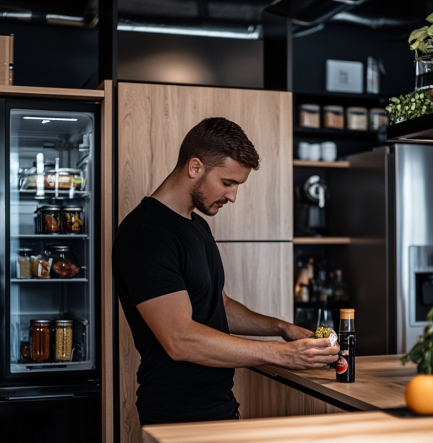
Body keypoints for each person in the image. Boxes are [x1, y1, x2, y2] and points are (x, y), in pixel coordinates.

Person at [112, 117, 339, 425]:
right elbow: (179, 339)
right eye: (227, 183)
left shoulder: (197, 225)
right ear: (195, 168)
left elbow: (219, 305)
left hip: (217, 403)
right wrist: (282, 355)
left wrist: (282, 328)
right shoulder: (146, 234)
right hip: (176, 413)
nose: (232, 196)